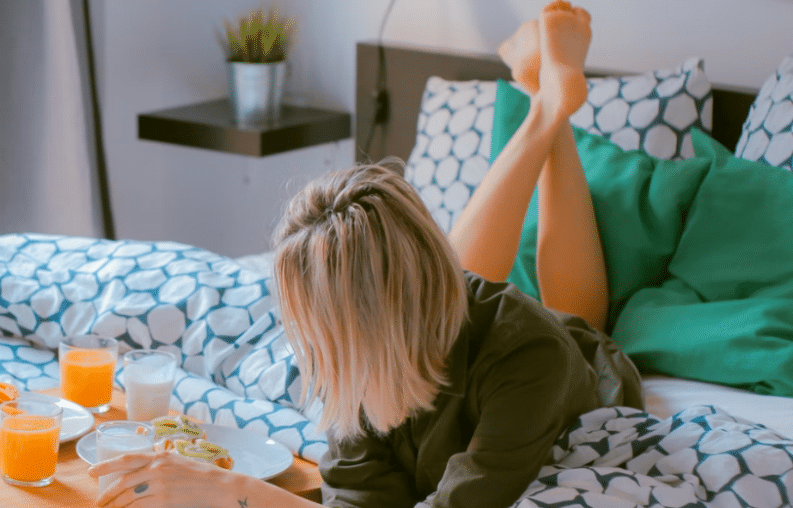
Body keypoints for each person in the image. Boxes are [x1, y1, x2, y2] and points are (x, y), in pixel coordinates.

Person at [88, 2, 642, 507]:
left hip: (566, 353)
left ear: (365, 321)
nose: (308, 350)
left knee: (578, 318)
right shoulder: (353, 361)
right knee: (460, 283)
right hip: (432, 317)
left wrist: (237, 493)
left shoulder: (529, 359)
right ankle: (547, 100)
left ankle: (551, 107)